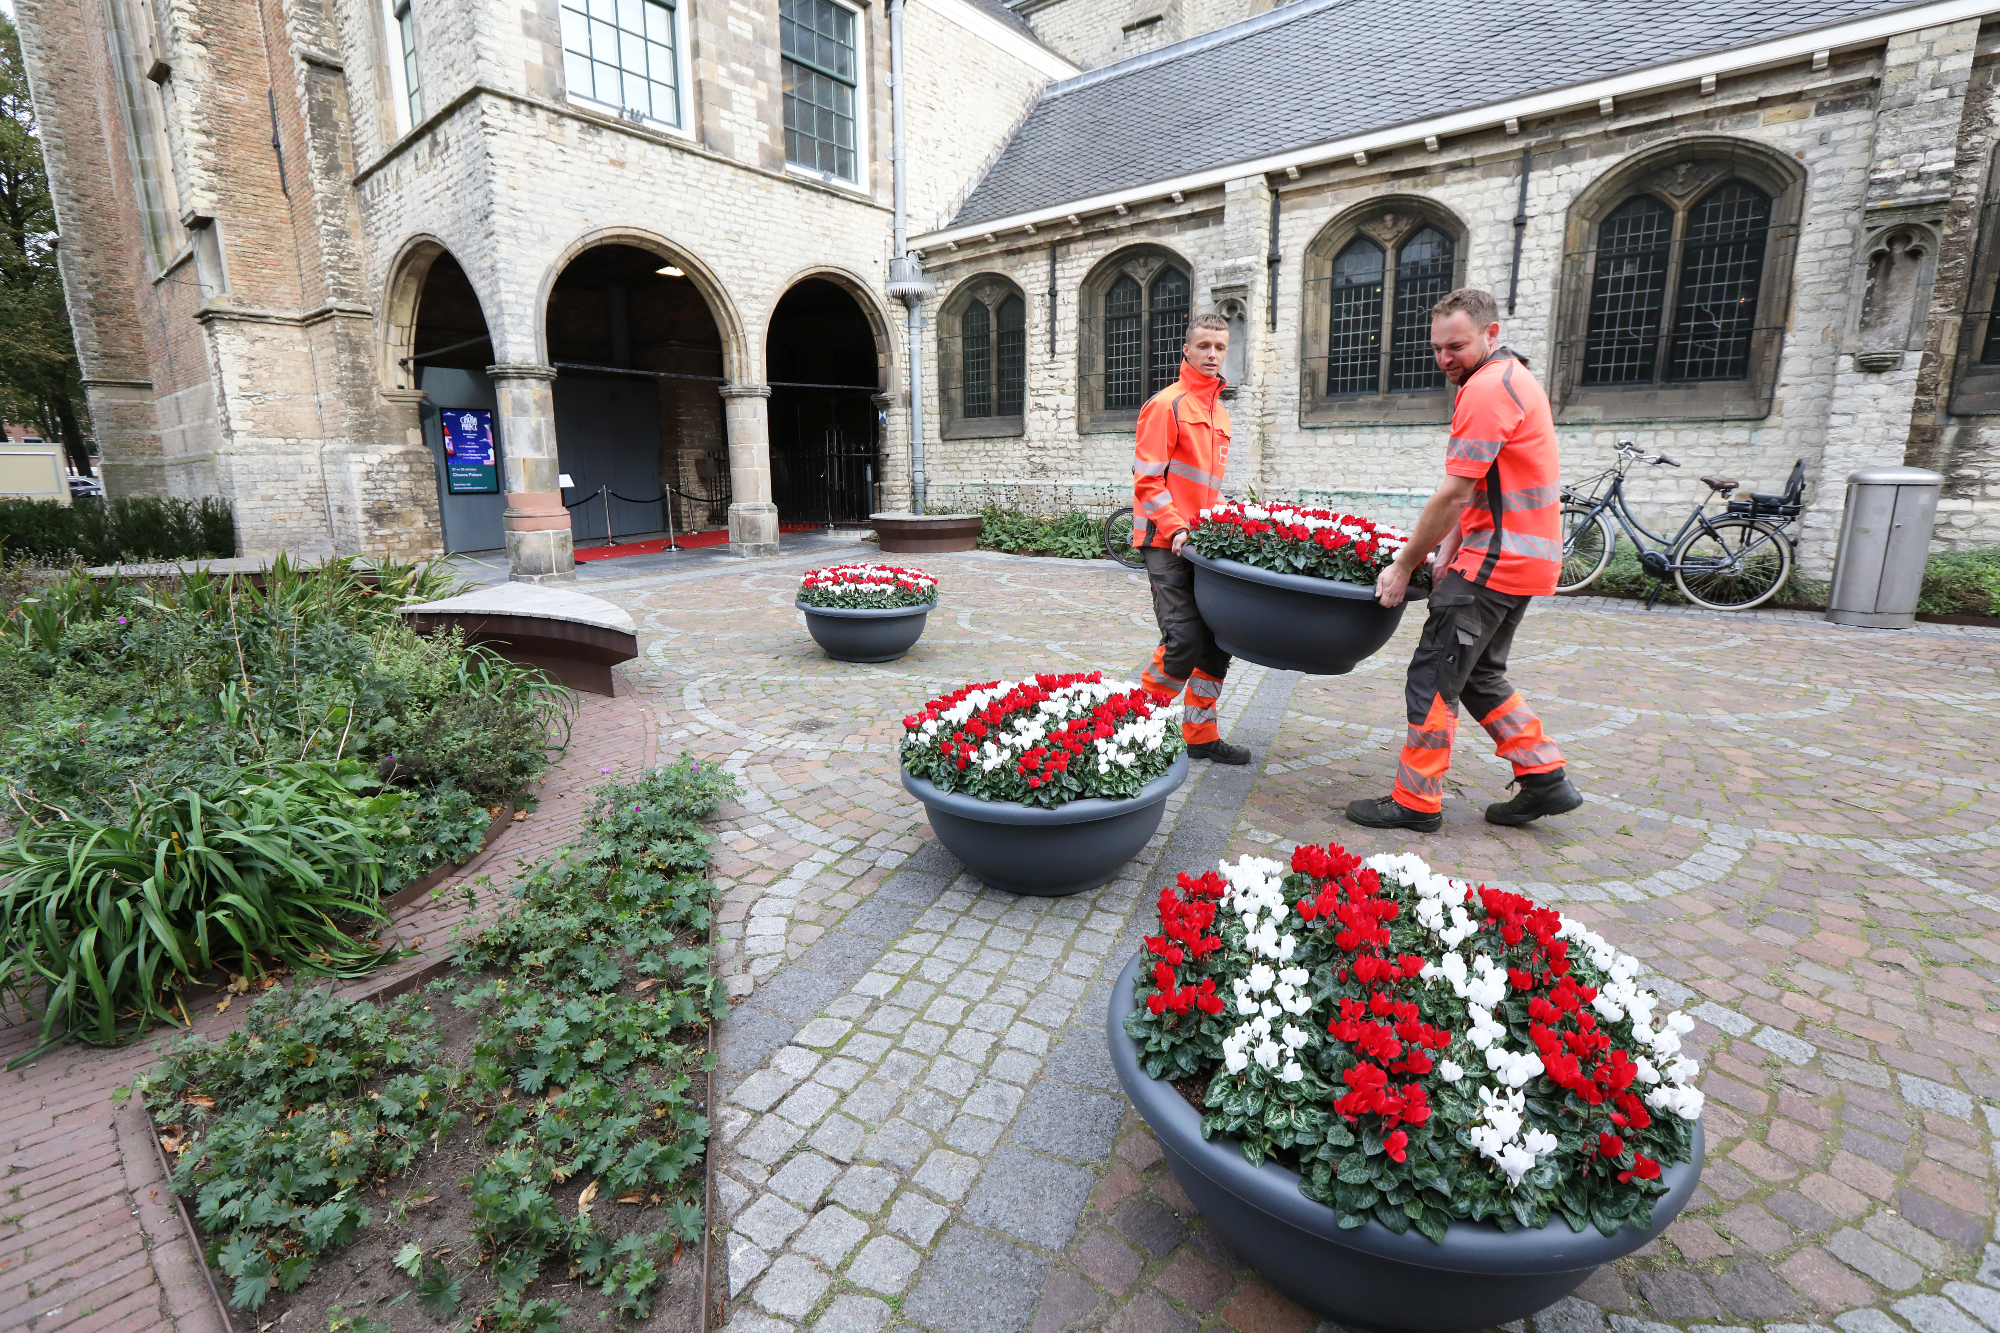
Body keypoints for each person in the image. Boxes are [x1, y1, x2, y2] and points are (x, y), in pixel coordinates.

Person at [1345, 287, 1582, 831]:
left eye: (1456, 346)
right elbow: (1486, 486)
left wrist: (1405, 564)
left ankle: (1416, 800)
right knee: (1479, 675)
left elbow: (1453, 493)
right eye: (1437, 348)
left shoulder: (1485, 390)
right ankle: (1544, 776)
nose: (1444, 359)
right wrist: (1448, 546)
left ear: (1490, 334)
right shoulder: (1514, 379)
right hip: (1522, 561)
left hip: (1492, 565)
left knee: (1433, 677)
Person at [1132, 312, 1252, 765]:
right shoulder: (1168, 405)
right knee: (1183, 639)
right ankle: (1135, 725)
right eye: (1203, 346)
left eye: (1219, 347)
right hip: (1165, 541)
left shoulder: (1219, 411)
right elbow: (1147, 481)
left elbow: (1205, 487)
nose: (1212, 354)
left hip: (1200, 545)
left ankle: (1199, 736)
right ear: (1186, 349)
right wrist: (1176, 527)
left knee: (1217, 642)